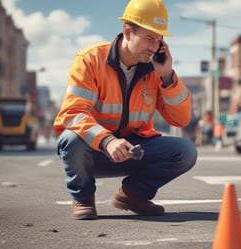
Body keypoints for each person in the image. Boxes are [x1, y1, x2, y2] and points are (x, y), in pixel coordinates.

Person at [53, 0, 198, 220]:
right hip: (94, 151)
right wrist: (107, 141)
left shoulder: (155, 70)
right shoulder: (90, 60)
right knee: (70, 140)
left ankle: (133, 195)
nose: (154, 46)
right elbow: (73, 113)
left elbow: (181, 119)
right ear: (128, 31)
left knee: (185, 151)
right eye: (149, 37)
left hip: (133, 150)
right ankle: (83, 197)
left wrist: (167, 76)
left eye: (159, 40)